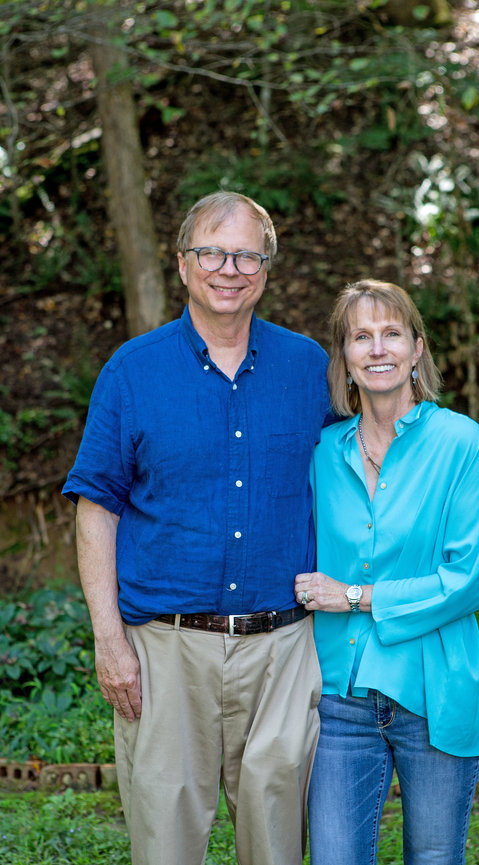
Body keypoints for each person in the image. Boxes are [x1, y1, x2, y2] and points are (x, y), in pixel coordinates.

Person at [62, 191, 332, 865]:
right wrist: (109, 640)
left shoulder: (309, 368)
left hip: (282, 650)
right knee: (165, 844)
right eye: (212, 253)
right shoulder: (132, 370)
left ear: (265, 269)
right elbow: (96, 507)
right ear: (183, 264)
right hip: (164, 649)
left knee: (277, 846)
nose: (229, 269)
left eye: (246, 256)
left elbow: (358, 475)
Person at [294, 280, 479, 865]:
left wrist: (354, 595)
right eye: (362, 337)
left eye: (392, 333)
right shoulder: (322, 452)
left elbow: (472, 578)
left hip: (433, 691)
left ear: (417, 349)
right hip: (340, 695)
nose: (378, 348)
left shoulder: (459, 442)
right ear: (345, 358)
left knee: (434, 857)